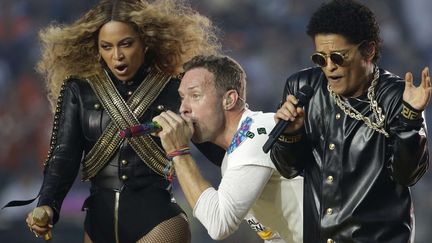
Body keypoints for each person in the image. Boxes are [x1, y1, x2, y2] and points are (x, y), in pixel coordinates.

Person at [9, 0, 221, 242]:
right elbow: (63, 155)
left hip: (159, 222)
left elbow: (216, 149)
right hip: (98, 224)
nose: (117, 56)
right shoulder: (79, 89)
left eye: (126, 44)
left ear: (146, 41)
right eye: (107, 47)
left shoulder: (176, 88)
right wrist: (47, 205)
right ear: (96, 48)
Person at [269, 0, 431, 242]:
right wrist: (290, 135)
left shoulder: (398, 96)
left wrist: (410, 119)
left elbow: (407, 176)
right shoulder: (303, 87)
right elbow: (288, 169)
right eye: (320, 59)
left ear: (369, 51)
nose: (330, 67)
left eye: (338, 57)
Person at [152, 55, 303, 243]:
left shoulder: (255, 134)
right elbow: (275, 236)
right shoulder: (233, 154)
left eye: (195, 96)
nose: (183, 109)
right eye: (182, 98)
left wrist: (179, 151)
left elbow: (218, 225)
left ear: (229, 100)